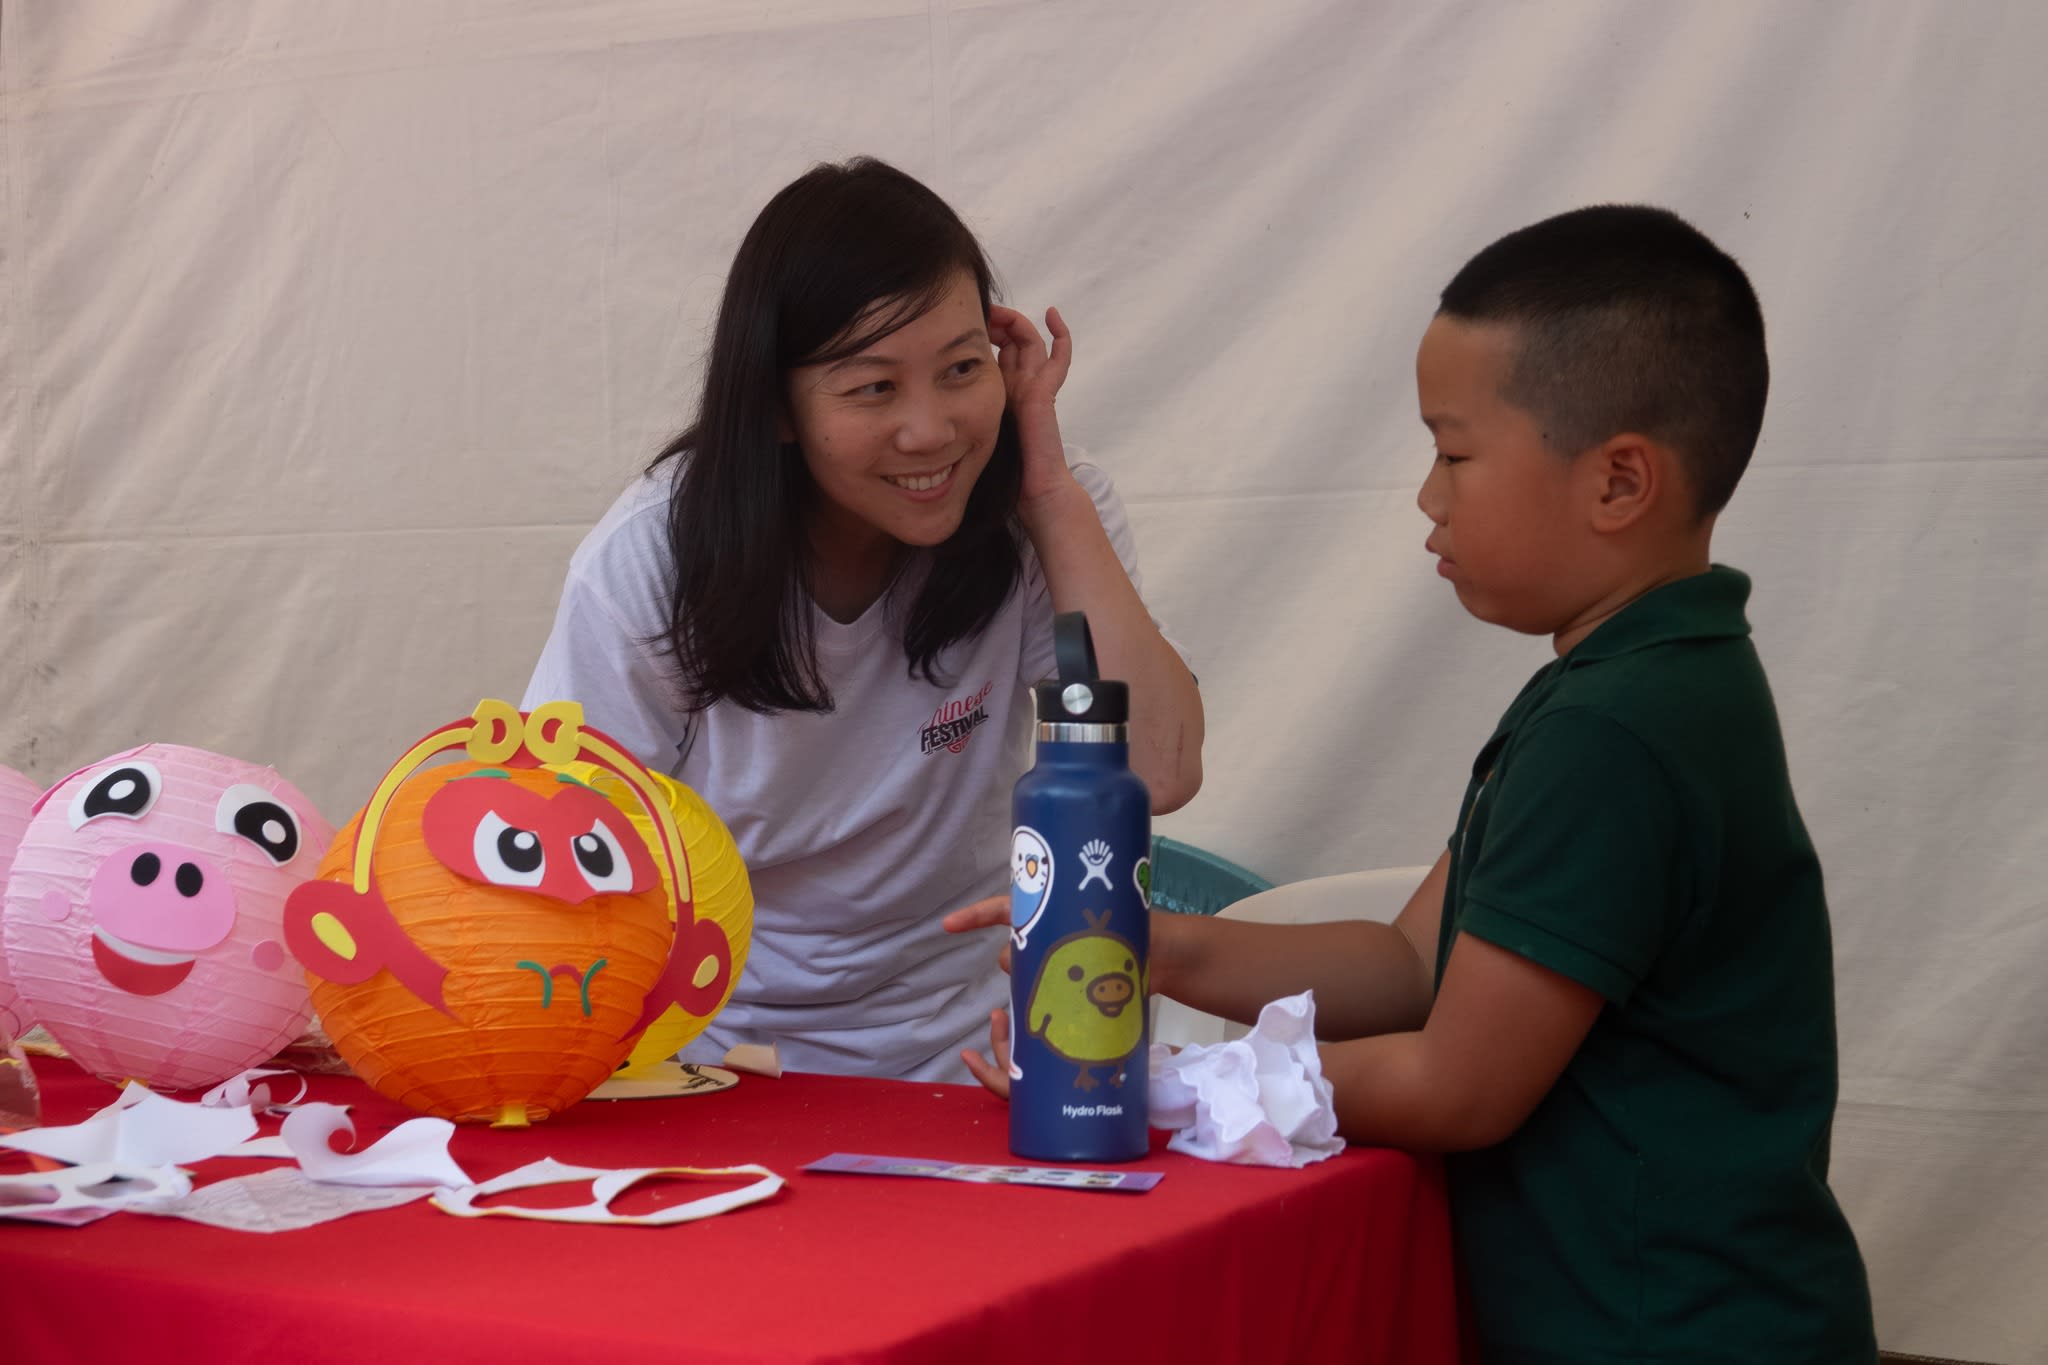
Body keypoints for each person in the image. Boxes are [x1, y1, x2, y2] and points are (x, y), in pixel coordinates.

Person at [950, 206, 1877, 1361]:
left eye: (1454, 453)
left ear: (1617, 481)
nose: (1428, 497)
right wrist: (1150, 944)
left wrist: (1156, 1088)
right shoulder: (1626, 685)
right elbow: (1406, 966)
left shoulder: (1616, 728)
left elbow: (1452, 1087)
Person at [524, 158, 1202, 1082]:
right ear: (776, 407)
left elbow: (1158, 769)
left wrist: (1048, 490)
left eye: (961, 369)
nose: (932, 431)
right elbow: (562, 846)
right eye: (874, 387)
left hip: (983, 1051)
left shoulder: (1048, 511)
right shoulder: (656, 556)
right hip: (720, 1059)